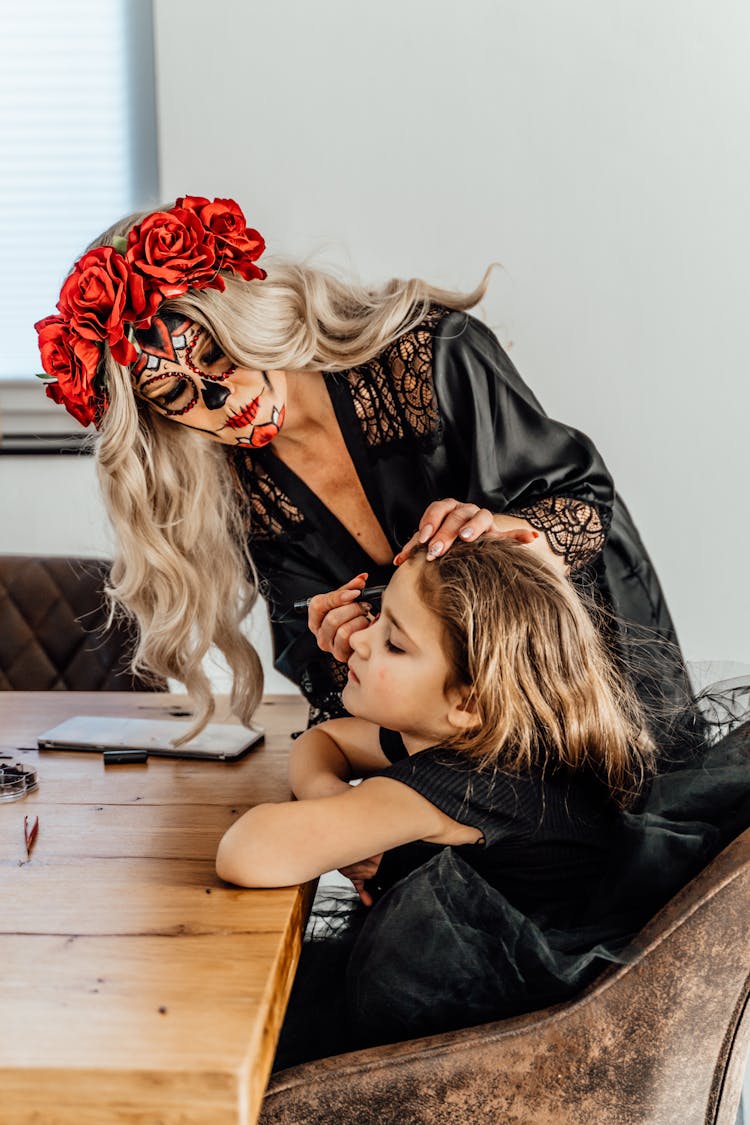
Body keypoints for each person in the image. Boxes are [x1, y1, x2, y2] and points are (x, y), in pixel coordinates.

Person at [35, 195, 691, 740]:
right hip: (456, 741)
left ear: (251, 315)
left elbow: (583, 498)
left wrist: (506, 536)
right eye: (178, 395)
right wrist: (338, 650)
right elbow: (321, 669)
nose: (223, 401)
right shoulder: (243, 488)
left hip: (590, 687)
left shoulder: (429, 357)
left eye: (220, 354)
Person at [215, 538, 750, 1064]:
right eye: (379, 616)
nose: (359, 640)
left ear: (467, 701)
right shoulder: (488, 736)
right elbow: (325, 740)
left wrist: (336, 826)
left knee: (236, 1024)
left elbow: (245, 853)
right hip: (503, 1006)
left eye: (395, 644)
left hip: (495, 1039)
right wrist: (329, 794)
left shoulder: (470, 781)